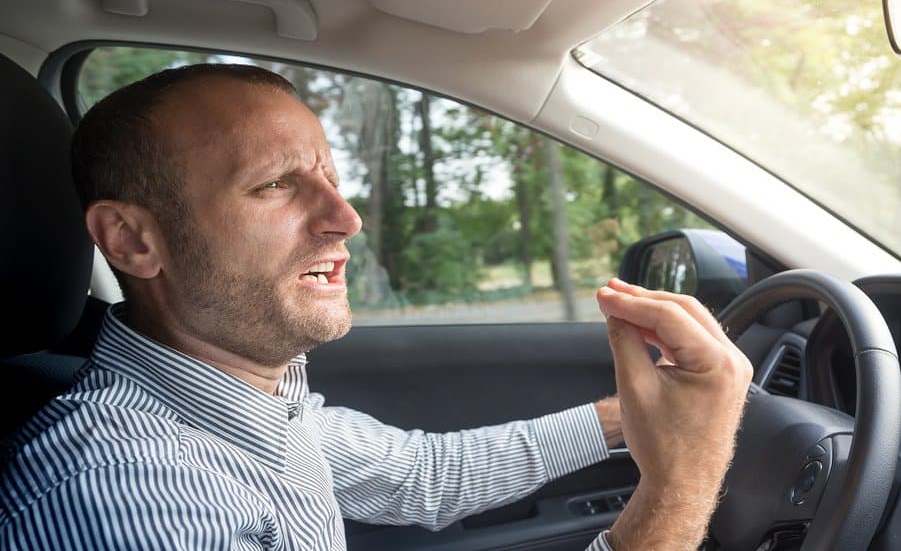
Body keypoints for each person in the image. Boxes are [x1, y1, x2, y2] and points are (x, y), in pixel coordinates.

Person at [0, 64, 752, 550]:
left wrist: (633, 417)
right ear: (131, 241)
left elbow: (425, 476)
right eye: (274, 185)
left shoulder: (246, 403)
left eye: (329, 176)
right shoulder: (131, 493)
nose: (344, 218)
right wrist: (678, 491)